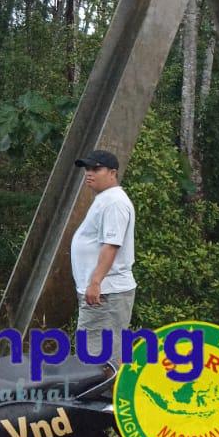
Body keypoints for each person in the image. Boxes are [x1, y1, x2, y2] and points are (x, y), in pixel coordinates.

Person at [71, 149, 136, 370]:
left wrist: (95, 282)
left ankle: (105, 402)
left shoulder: (115, 203)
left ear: (112, 173)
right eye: (87, 169)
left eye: (96, 169)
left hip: (106, 293)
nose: (89, 173)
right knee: (99, 356)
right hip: (103, 292)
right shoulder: (105, 199)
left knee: (98, 361)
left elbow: (112, 245)